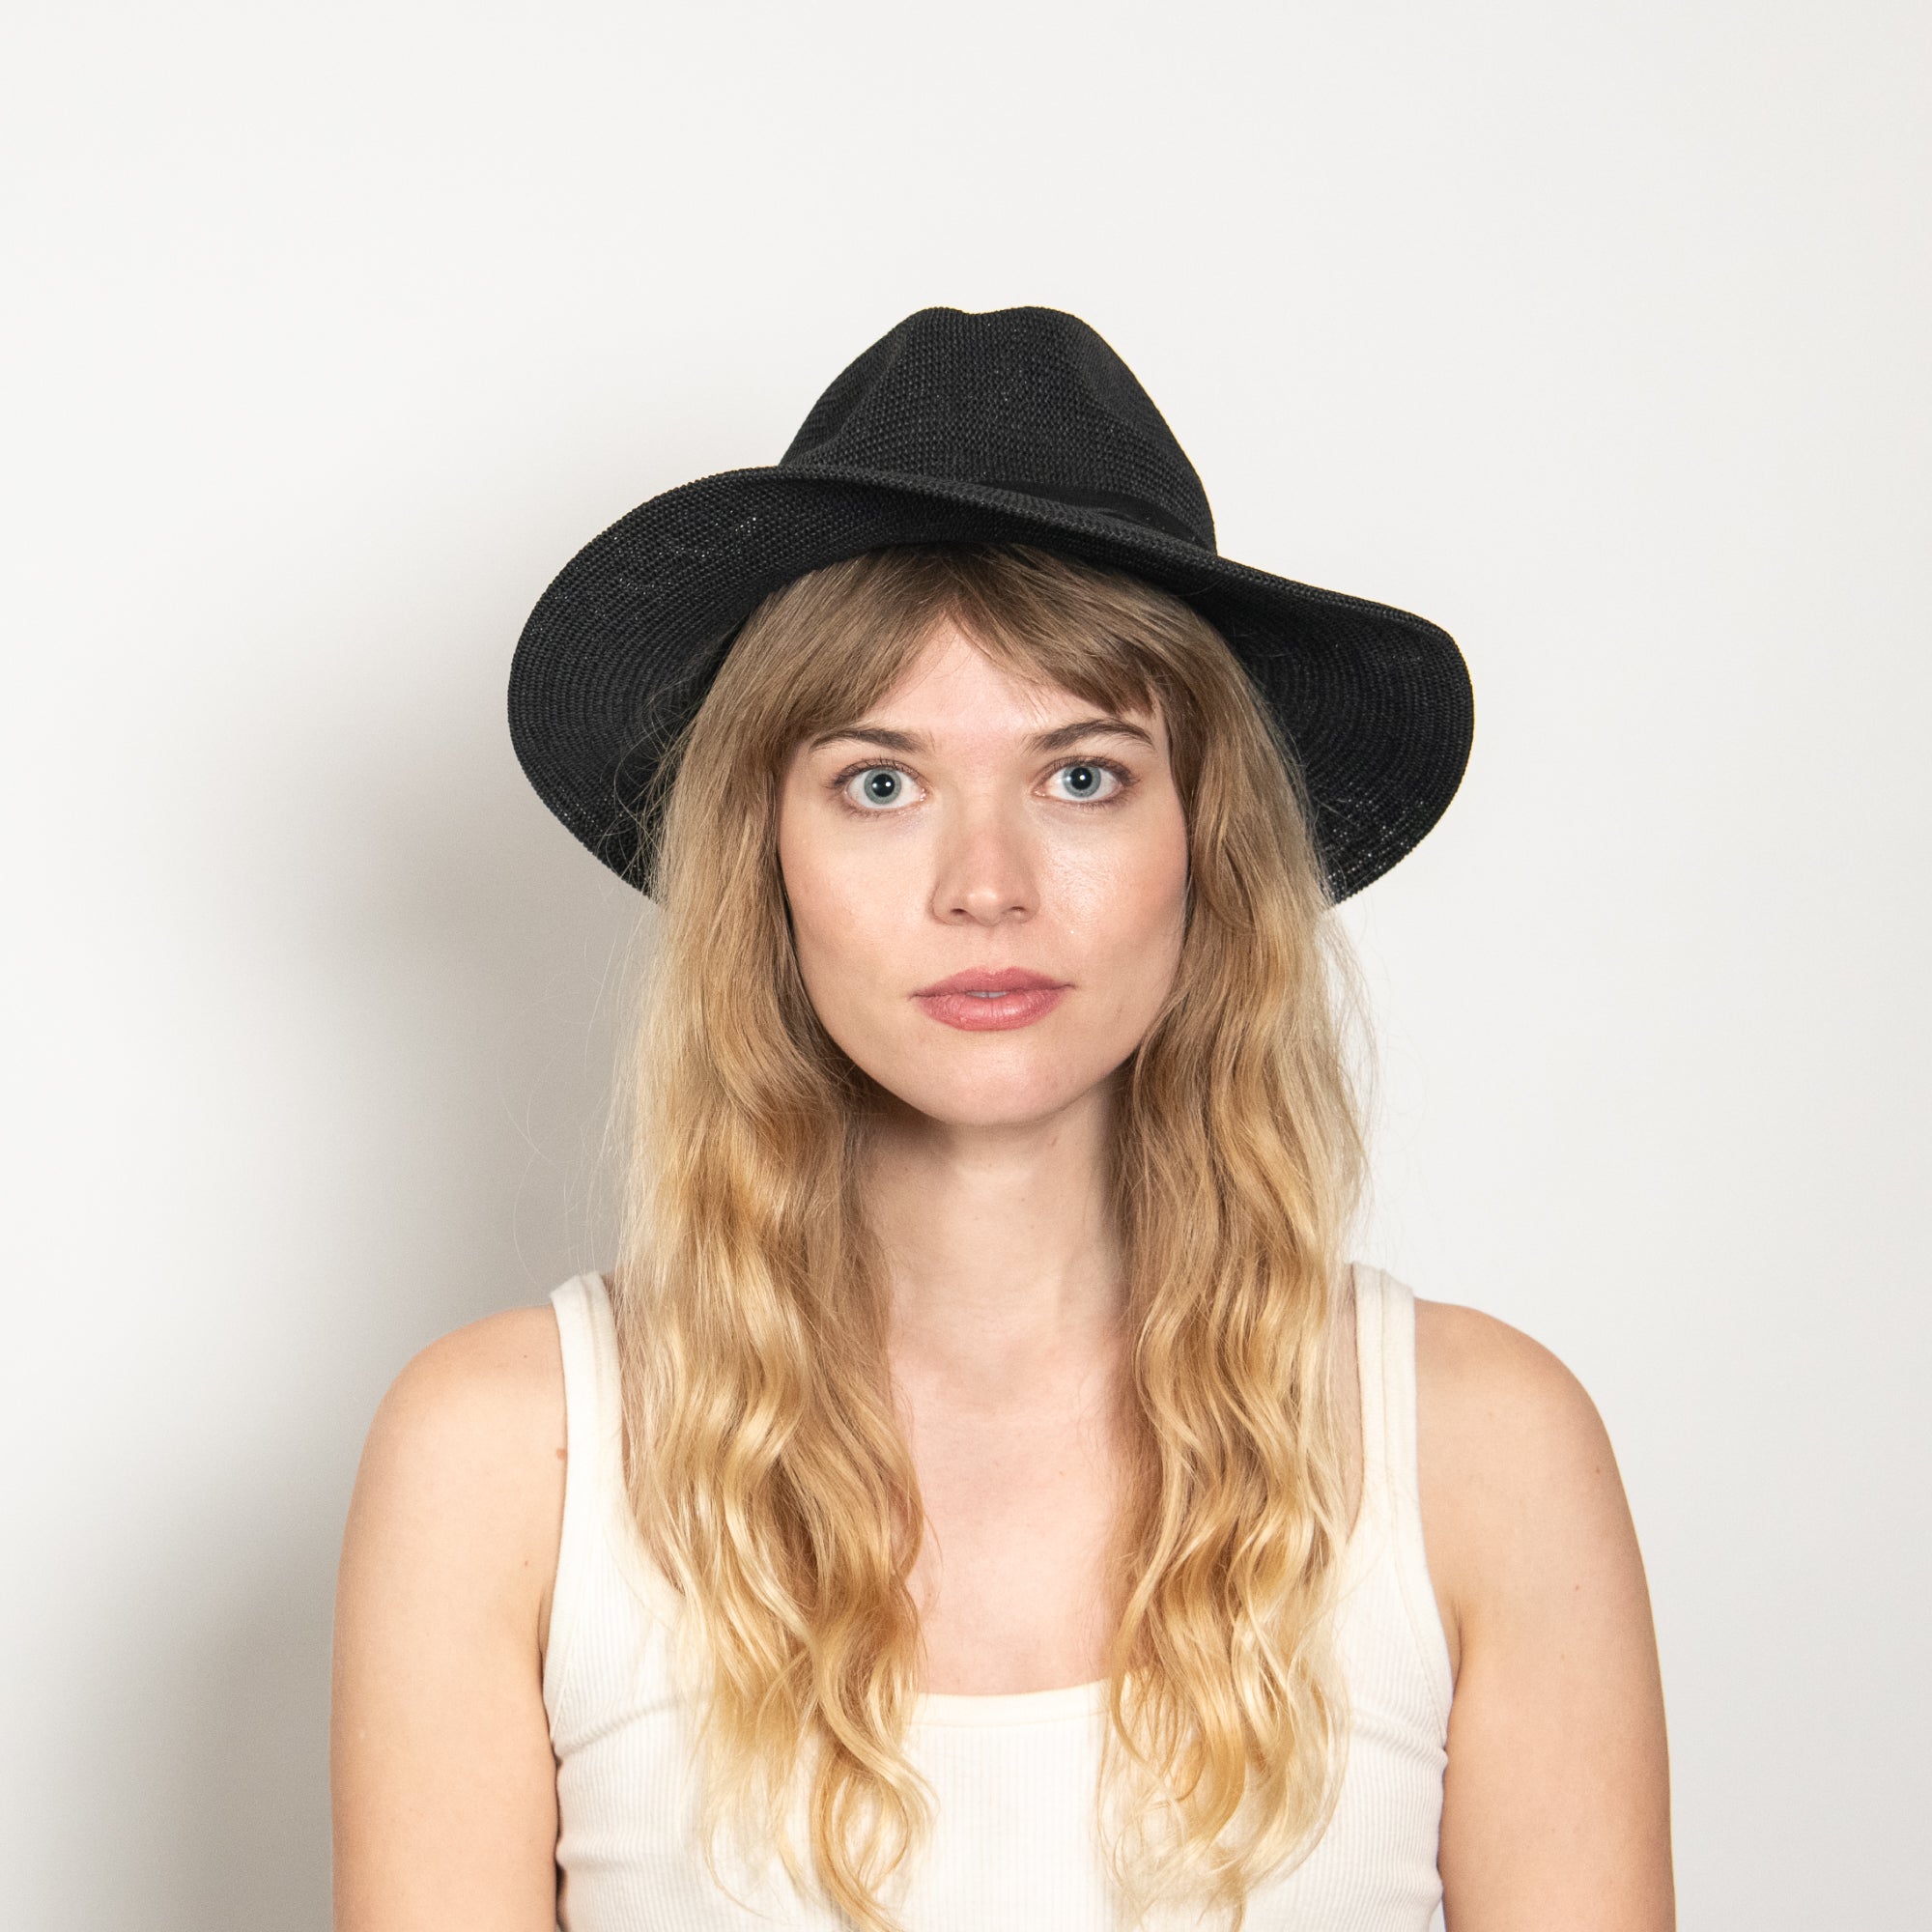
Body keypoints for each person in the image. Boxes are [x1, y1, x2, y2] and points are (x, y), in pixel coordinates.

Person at [329, 307, 1673, 1931]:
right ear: (763, 859)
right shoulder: (504, 1465)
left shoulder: (1482, 1453)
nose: (987, 887)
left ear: (1210, 849)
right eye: (880, 782)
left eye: (1084, 776)